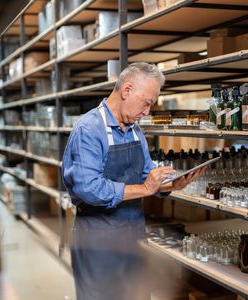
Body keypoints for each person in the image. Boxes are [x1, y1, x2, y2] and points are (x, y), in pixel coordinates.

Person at [62, 62, 204, 300]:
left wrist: (170, 185)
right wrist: (146, 188)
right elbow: (89, 188)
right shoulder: (89, 129)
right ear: (126, 91)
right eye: (146, 103)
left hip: (133, 236)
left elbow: (145, 175)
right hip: (98, 241)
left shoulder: (135, 131)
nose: (147, 111)